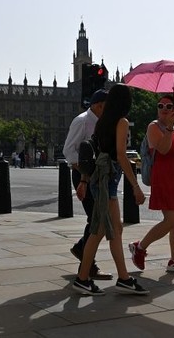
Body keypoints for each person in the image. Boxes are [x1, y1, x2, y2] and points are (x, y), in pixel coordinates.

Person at [73, 83, 147, 296]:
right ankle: (82, 278)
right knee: (99, 231)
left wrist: (85, 180)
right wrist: (136, 186)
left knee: (114, 230)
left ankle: (123, 278)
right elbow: (122, 156)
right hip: (108, 180)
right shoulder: (121, 122)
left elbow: (93, 151)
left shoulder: (102, 122)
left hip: (101, 179)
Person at [129, 94, 174, 275]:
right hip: (165, 177)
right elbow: (163, 149)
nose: (164, 109)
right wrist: (168, 128)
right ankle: (140, 247)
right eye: (160, 105)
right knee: (171, 220)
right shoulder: (154, 127)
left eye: (169, 106)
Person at [62, 89, 112, 281]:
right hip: (83, 175)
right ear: (99, 105)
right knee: (95, 220)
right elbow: (69, 151)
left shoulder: (101, 122)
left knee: (96, 219)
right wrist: (86, 170)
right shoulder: (82, 121)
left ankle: (82, 250)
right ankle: (87, 264)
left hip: (97, 176)